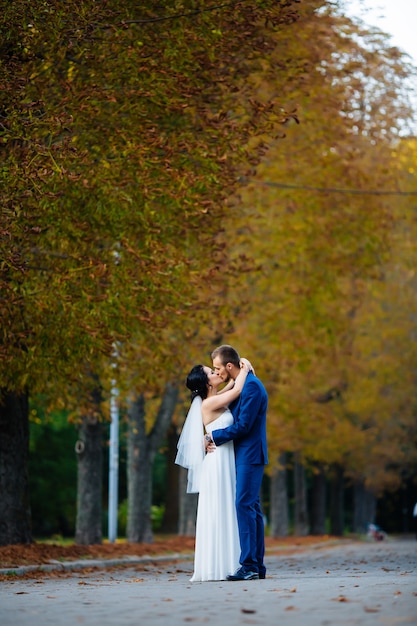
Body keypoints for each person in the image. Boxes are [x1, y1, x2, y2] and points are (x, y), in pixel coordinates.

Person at [175, 360, 251, 581]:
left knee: (226, 509)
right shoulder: (208, 404)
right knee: (220, 509)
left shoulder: (213, 399)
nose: (217, 372)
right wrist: (244, 368)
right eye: (212, 371)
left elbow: (230, 389)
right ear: (206, 382)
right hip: (217, 464)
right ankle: (218, 566)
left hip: (223, 460)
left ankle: (229, 562)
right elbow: (236, 389)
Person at [207, 344, 268, 581]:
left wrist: (213, 437)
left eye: (217, 368)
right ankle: (257, 566)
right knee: (252, 508)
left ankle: (250, 565)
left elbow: (243, 426)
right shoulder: (245, 384)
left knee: (244, 505)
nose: (217, 372)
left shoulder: (252, 387)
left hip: (250, 455)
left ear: (229, 366)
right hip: (244, 455)